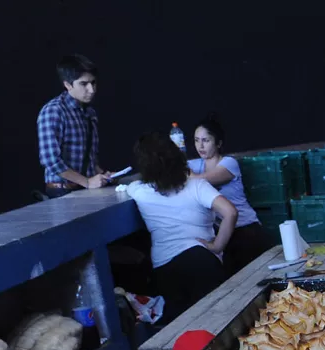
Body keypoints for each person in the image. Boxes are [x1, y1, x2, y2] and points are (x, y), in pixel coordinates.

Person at [126, 132, 237, 324]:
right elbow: (230, 212)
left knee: (184, 329)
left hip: (165, 270)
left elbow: (128, 186)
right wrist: (217, 246)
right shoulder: (197, 186)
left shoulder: (138, 190)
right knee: (221, 325)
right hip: (203, 262)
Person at [188, 115, 275, 275]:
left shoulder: (229, 163)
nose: (200, 145)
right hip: (222, 234)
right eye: (196, 140)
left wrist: (179, 167)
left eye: (206, 140)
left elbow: (201, 182)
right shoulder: (194, 165)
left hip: (245, 230)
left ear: (218, 143)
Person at [37, 54, 112, 198]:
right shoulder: (54, 111)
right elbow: (50, 161)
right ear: (67, 85)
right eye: (84, 84)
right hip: (62, 191)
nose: (92, 89)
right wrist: (87, 182)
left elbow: (89, 158)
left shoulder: (89, 113)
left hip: (85, 189)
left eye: (93, 82)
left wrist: (102, 175)